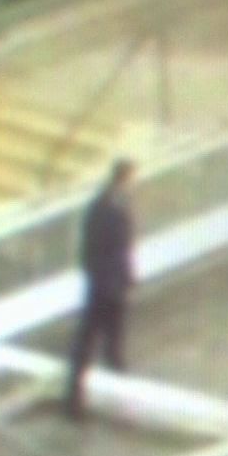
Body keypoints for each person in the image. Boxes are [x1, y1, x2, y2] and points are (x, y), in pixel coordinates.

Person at [65, 159, 137, 420]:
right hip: (104, 283)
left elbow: (122, 248)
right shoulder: (104, 208)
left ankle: (115, 378)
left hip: (111, 281)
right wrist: (107, 278)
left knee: (112, 335)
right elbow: (100, 248)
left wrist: (127, 277)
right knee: (91, 337)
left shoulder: (116, 205)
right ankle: (75, 397)